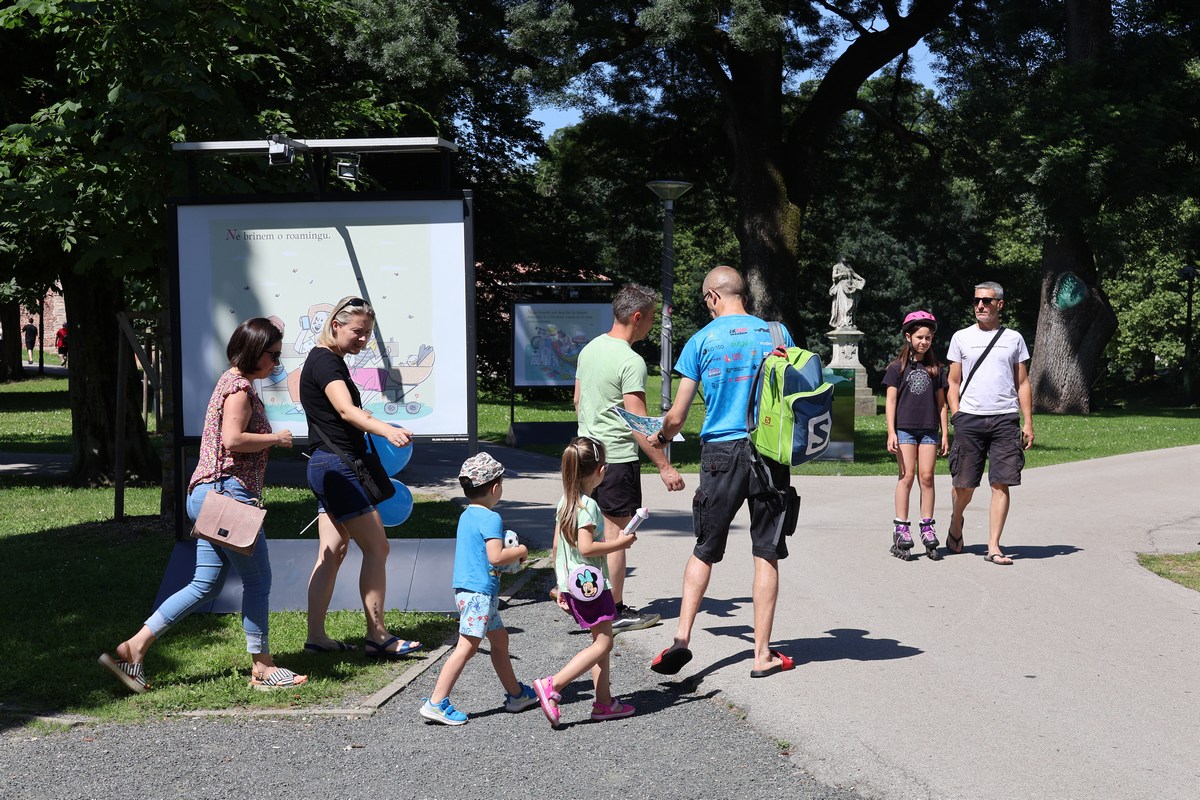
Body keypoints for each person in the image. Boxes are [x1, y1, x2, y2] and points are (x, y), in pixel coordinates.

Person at [98, 318, 305, 693]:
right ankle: (263, 666)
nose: (277, 363)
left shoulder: (229, 380)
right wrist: (276, 438)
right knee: (259, 581)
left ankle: (134, 647)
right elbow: (234, 438)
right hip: (228, 496)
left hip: (209, 496)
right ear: (255, 352)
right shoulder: (240, 388)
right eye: (273, 356)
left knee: (204, 583)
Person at [647, 266, 795, 679]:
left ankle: (681, 639)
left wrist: (660, 437)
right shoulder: (778, 335)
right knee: (766, 551)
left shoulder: (701, 341)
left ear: (713, 296)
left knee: (705, 547)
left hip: (720, 453)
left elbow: (676, 415)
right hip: (769, 451)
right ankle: (762, 654)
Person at [300, 296, 422, 657]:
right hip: (339, 468)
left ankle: (316, 638)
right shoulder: (326, 361)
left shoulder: (326, 360)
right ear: (335, 325)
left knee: (332, 552)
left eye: (368, 333)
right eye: (357, 331)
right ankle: (378, 635)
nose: (363, 340)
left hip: (326, 466)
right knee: (377, 547)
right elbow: (343, 409)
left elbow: (338, 413)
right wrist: (386, 430)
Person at [573, 283, 685, 632]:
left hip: (585, 454)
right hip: (617, 458)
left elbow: (577, 400)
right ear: (637, 317)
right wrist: (664, 466)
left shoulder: (590, 349)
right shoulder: (631, 361)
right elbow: (638, 425)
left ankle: (583, 597)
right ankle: (616, 609)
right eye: (651, 319)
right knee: (616, 536)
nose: (651, 326)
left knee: (586, 531)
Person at [417, 452, 537, 725]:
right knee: (467, 647)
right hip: (479, 594)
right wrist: (520, 551)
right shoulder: (491, 518)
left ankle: (517, 695)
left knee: (499, 640)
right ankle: (437, 702)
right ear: (495, 488)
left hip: (471, 591)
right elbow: (496, 557)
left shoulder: (466, 515)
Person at [533, 437, 638, 728]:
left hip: (573, 585)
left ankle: (604, 702)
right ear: (600, 470)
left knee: (600, 640)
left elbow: (557, 548)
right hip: (592, 585)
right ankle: (553, 685)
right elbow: (587, 548)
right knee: (603, 643)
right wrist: (620, 543)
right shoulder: (589, 506)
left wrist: (560, 586)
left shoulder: (565, 502)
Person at [946, 282, 1035, 565]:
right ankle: (956, 518)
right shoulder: (961, 337)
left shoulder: (1014, 339)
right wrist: (957, 413)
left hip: (1005, 419)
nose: (980, 306)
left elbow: (1022, 382)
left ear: (1000, 304)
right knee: (965, 486)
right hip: (969, 419)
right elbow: (953, 381)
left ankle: (994, 546)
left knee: (1001, 483)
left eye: (986, 301)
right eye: (976, 301)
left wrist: (1028, 422)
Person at [883, 311, 949, 561]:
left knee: (928, 476)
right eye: (920, 337)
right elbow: (890, 401)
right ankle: (901, 526)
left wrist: (944, 433)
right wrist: (891, 431)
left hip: (929, 429)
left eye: (928, 338)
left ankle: (927, 525)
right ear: (908, 337)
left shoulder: (936, 368)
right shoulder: (896, 367)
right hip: (905, 429)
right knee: (907, 475)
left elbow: (942, 404)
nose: (924, 342)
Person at [828, 260, 865, 329]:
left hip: (850, 287)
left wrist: (861, 279)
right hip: (841, 287)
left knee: (851, 305)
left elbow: (854, 274)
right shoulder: (836, 266)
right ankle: (843, 322)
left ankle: (849, 322)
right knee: (843, 306)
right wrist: (842, 274)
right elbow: (834, 275)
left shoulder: (848, 267)